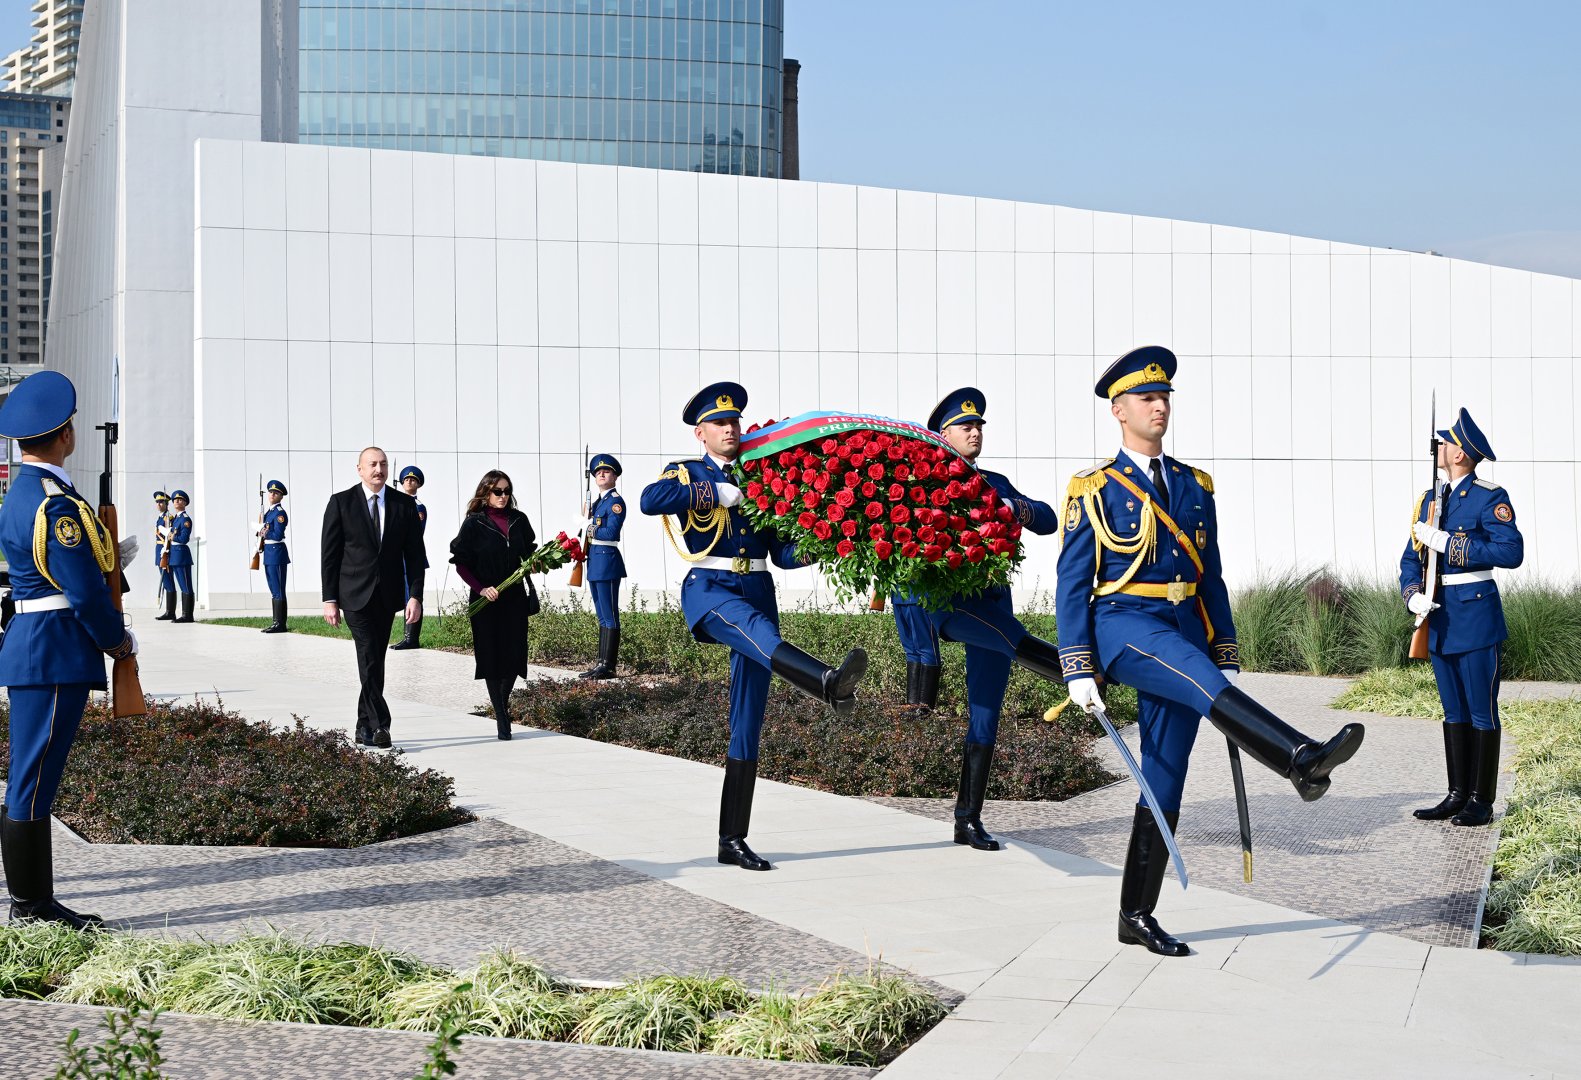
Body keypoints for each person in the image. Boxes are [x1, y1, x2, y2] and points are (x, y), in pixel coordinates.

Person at [1054, 345, 1365, 957]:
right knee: (1197, 679)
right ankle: (1298, 757)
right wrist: (1076, 664)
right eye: (1146, 397)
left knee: (1164, 777)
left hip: (1184, 625)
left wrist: (1223, 641)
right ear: (1119, 410)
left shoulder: (1194, 486)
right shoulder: (1091, 489)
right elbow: (1071, 581)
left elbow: (1212, 574)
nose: (1159, 405)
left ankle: (1134, 913)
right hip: (1124, 623)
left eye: (1165, 395)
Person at [640, 381, 868, 872]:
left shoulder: (759, 478)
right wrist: (709, 490)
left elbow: (781, 555)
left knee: (747, 724)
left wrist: (826, 538)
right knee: (760, 635)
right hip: (711, 588)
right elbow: (649, 499)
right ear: (701, 433)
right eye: (720, 423)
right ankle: (825, 682)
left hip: (758, 586)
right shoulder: (687, 472)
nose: (730, 428)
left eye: (735, 422)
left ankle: (732, 839)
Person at [0, 371, 137, 929]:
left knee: (30, 776)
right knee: (33, 780)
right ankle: (33, 905)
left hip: (36, 647)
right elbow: (80, 591)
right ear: (64, 435)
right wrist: (117, 640)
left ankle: (33, 900)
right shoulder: (55, 505)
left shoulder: (22, 493)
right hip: (54, 651)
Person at [908, 389, 1061, 851]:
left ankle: (967, 819)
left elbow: (1050, 520)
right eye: (964, 426)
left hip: (995, 602)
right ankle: (1077, 671)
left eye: (979, 426)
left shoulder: (995, 481)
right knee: (1011, 638)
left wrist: (1019, 509)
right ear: (943, 435)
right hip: (951, 606)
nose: (974, 432)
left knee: (986, 712)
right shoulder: (924, 482)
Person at [1400, 407, 1523, 828]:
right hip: (1439, 618)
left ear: (1461, 455)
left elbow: (1511, 552)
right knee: (1452, 711)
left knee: (1480, 711)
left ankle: (1481, 801)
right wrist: (1413, 595)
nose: (1439, 446)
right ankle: (1457, 794)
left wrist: (1450, 542)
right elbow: (1409, 559)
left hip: (1475, 616)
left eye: (1445, 442)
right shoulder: (1430, 500)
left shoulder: (1490, 497)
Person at [320, 447, 426, 748]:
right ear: (359, 469)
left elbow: (415, 556)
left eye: (382, 464)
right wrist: (330, 599)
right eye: (372, 465)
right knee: (368, 654)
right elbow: (329, 555)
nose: (378, 470)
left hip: (387, 595)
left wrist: (415, 596)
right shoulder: (341, 502)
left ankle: (362, 724)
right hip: (352, 594)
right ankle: (381, 724)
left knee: (374, 658)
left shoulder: (404, 505)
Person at [450, 470, 537, 741]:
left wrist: (535, 562)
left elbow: (530, 550)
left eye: (506, 491)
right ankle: (502, 715)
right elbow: (461, 563)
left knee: (513, 654)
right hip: (486, 600)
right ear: (486, 492)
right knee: (491, 657)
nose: (502, 497)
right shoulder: (474, 524)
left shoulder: (519, 520)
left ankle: (501, 703)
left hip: (514, 598)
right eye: (497, 491)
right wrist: (481, 588)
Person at [580, 452, 626, 680]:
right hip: (595, 562)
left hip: (607, 560)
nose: (601, 474)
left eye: (606, 471)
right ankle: (600, 663)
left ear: (615, 476)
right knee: (601, 615)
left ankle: (609, 665)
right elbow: (585, 533)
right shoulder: (597, 503)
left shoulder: (615, 502)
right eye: (597, 472)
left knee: (610, 615)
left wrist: (589, 527)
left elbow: (611, 532)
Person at [391, 465, 429, 650]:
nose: (409, 482)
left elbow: (416, 533)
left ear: (418, 484)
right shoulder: (395, 504)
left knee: (413, 596)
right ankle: (406, 636)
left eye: (413, 480)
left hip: (411, 556)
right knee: (404, 596)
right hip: (398, 557)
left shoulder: (418, 507)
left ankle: (411, 638)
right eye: (406, 480)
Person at [257, 480, 290, 634]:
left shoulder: (279, 513)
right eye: (271, 492)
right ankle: (276, 621)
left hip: (277, 552)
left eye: (276, 492)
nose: (272, 494)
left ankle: (280, 624)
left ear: (281, 496)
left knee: (278, 589)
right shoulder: (269, 513)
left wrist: (263, 531)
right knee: (273, 589)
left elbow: (276, 534)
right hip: (269, 552)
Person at [166, 489, 195, 623]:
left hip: (181, 554)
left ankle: (187, 615)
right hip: (174, 555)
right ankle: (184, 614)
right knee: (181, 584)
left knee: (186, 585)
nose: (177, 501)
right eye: (175, 500)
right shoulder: (175, 519)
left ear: (185, 503)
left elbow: (184, 538)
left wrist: (172, 536)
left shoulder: (185, 519)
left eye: (180, 499)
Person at [152, 490, 176, 621]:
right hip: (159, 550)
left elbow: (169, 535)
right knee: (165, 581)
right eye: (157, 502)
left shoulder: (168, 518)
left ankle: (170, 612)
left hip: (165, 551)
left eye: (161, 502)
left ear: (167, 504)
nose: (159, 504)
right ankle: (169, 611)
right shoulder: (161, 517)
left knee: (168, 580)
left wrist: (167, 551)